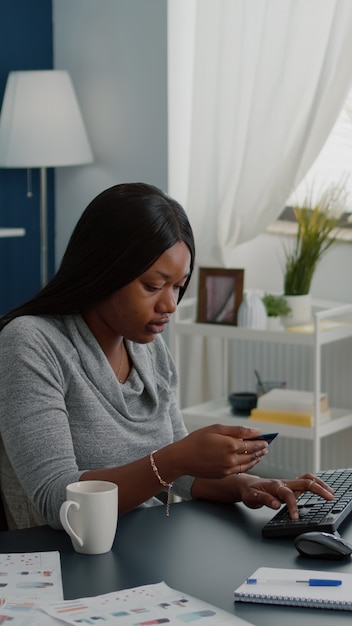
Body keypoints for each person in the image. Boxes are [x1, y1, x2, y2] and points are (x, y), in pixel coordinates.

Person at [0, 183, 334, 530]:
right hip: (57, 566)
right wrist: (177, 459)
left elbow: (182, 476)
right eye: (153, 286)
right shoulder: (30, 343)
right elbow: (58, 501)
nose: (170, 305)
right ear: (103, 269)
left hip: (140, 551)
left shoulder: (147, 347)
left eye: (178, 286)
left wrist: (250, 486)